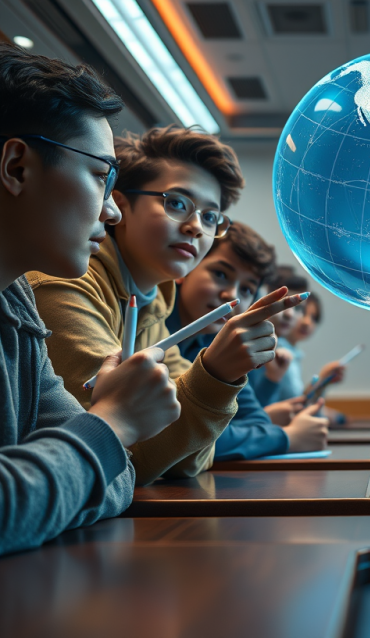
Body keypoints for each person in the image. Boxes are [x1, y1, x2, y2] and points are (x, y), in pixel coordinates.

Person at [28, 125, 303, 484]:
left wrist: (206, 394)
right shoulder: (66, 284)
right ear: (120, 205)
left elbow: (190, 459)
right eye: (176, 203)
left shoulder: (152, 306)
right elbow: (124, 457)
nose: (195, 228)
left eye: (210, 217)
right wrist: (216, 375)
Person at [0, 44, 179, 555]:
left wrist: (80, 457)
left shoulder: (14, 302)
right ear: (16, 166)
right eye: (101, 176)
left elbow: (115, 479)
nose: (113, 213)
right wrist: (112, 422)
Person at [169, 222, 328, 459]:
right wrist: (286, 438)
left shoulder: (213, 341)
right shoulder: (151, 328)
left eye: (245, 290)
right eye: (220, 274)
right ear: (188, 266)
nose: (231, 295)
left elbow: (257, 422)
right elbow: (179, 438)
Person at [250, 266, 343, 421]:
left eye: (298, 308)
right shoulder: (254, 347)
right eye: (281, 304)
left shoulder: (283, 350)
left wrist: (321, 384)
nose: (289, 314)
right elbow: (251, 417)